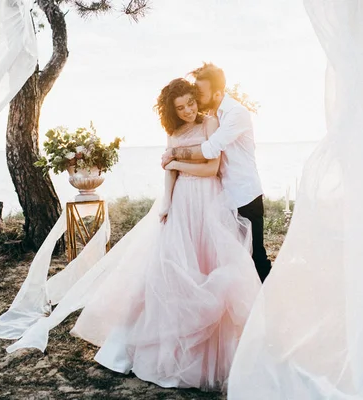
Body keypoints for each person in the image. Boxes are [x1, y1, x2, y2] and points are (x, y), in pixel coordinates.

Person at [66, 78, 261, 389]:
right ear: (171, 110)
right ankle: (144, 345)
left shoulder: (210, 123)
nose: (187, 111)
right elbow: (168, 174)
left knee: (207, 264)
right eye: (180, 107)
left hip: (209, 201)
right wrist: (167, 203)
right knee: (170, 267)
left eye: (190, 103)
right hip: (182, 202)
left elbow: (212, 168)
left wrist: (178, 162)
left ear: (198, 100)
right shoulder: (173, 133)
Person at [161, 63, 272, 282]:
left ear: (218, 93)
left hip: (244, 193)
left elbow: (210, 149)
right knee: (233, 257)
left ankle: (266, 304)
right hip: (224, 195)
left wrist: (173, 154)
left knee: (255, 255)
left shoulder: (235, 113)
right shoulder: (213, 113)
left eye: (200, 94)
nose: (197, 98)